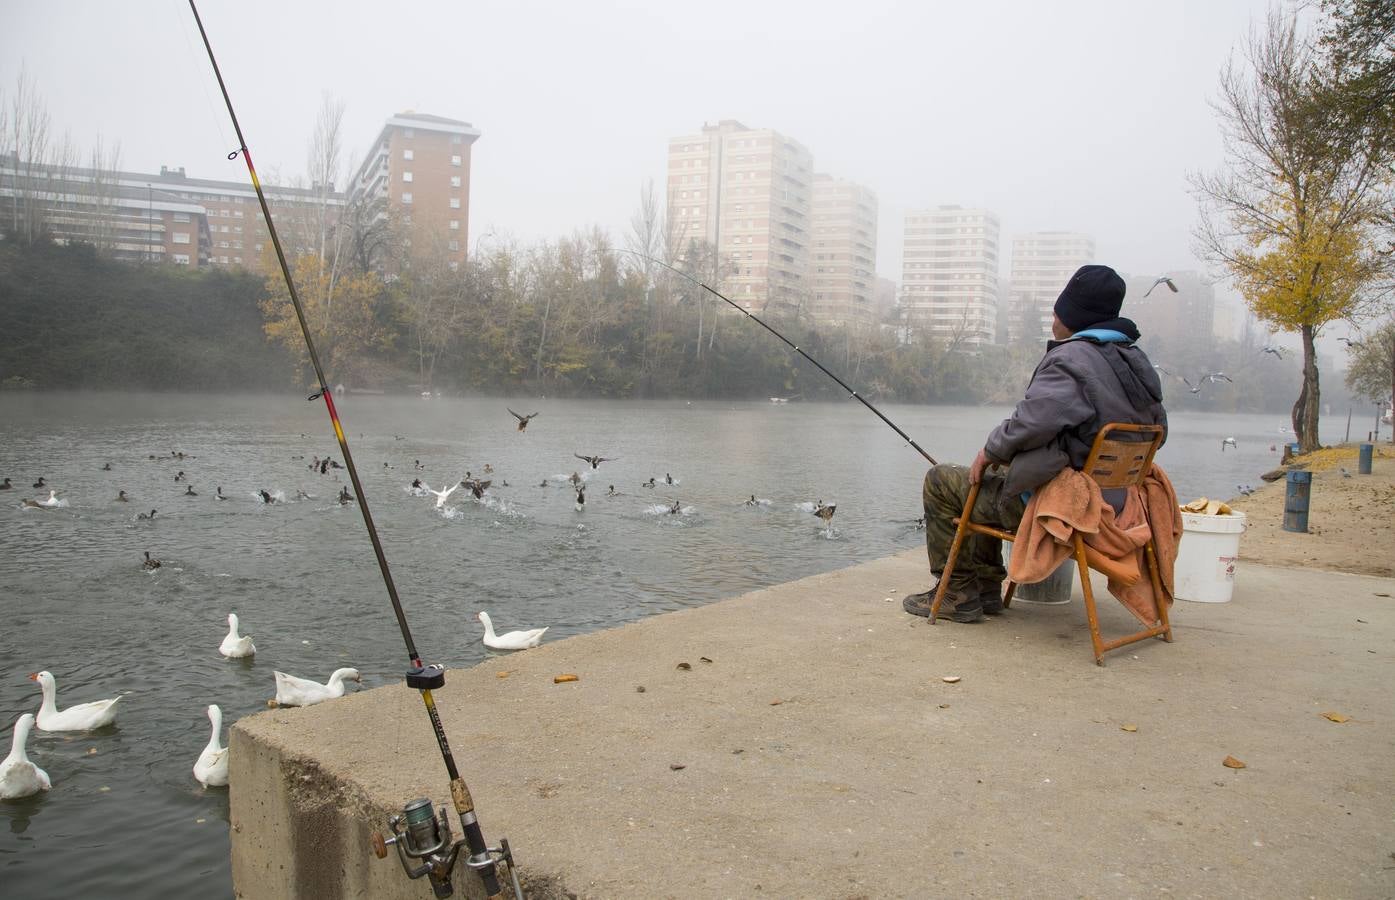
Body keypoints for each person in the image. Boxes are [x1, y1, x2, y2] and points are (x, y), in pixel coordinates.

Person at [904, 265, 1167, 623]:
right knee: (992, 478)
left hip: (1064, 511)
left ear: (1073, 315)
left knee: (943, 480)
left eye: (1058, 310)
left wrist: (989, 451)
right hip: (1119, 505)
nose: (1053, 317)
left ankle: (957, 592)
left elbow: (1029, 424)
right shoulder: (1136, 362)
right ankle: (984, 591)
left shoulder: (1072, 360)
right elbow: (1159, 430)